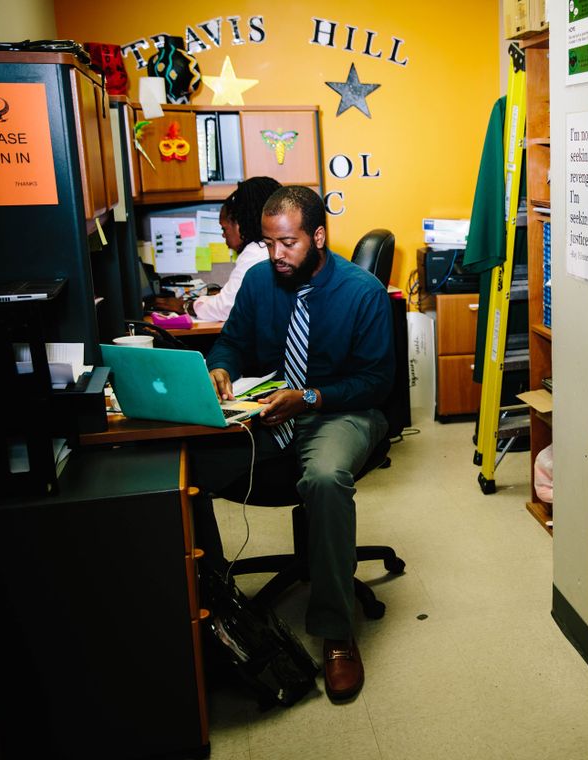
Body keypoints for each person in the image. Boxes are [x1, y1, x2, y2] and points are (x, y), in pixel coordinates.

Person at [189, 185, 394, 703]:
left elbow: (376, 382)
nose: (275, 255)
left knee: (324, 478)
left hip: (341, 409)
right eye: (268, 243)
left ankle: (336, 632)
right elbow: (233, 340)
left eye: (287, 244)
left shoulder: (361, 292)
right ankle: (216, 610)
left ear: (318, 236)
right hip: (271, 407)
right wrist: (221, 366)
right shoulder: (260, 280)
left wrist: (308, 397)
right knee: (188, 469)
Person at [149, 176, 281, 320]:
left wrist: (185, 306)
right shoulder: (273, 248)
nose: (223, 236)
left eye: (224, 229)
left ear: (239, 223)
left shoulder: (255, 252)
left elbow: (226, 307)